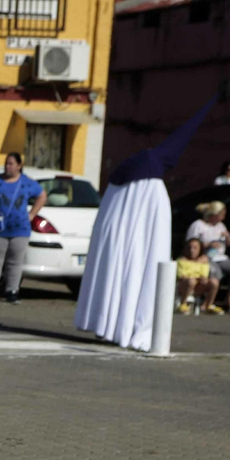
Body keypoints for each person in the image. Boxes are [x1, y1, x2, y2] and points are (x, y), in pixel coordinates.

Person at [75, 97, 214, 350]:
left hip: (118, 229)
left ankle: (108, 323)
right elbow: (153, 249)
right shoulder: (152, 189)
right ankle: (127, 327)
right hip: (137, 230)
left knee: (120, 266)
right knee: (142, 268)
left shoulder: (121, 183)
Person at [0, 151, 46, 304]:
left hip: (20, 229)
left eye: (11, 164)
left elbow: (42, 195)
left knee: (15, 261)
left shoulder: (26, 182)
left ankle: (12, 291)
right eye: (6, 163)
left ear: (19, 166)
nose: (7, 166)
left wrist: (32, 214)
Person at [186, 200, 230, 314]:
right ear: (214, 214)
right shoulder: (198, 225)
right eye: (221, 215)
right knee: (216, 272)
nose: (223, 218)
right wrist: (209, 244)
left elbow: (229, 244)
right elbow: (191, 243)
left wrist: (228, 236)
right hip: (205, 257)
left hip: (220, 256)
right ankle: (208, 303)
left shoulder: (220, 226)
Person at [175, 237, 216, 313]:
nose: (192, 250)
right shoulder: (181, 260)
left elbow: (204, 276)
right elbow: (182, 276)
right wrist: (196, 277)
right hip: (184, 286)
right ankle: (183, 304)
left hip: (198, 287)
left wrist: (200, 278)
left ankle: (209, 305)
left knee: (214, 282)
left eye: (195, 248)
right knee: (191, 281)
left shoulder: (203, 261)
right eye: (189, 248)